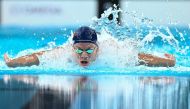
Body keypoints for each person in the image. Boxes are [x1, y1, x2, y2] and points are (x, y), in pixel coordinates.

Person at [4, 26, 175, 68]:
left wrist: (167, 62)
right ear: (73, 48)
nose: (83, 55)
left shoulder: (113, 54)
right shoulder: (65, 53)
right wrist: (12, 62)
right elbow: (37, 57)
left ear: (97, 49)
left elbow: (141, 57)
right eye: (79, 50)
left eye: (88, 50)